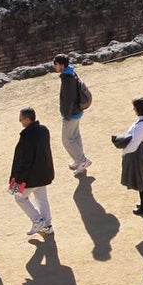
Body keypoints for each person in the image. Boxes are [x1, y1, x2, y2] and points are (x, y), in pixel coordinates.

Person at [10, 107, 56, 236]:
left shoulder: (27, 136)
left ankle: (38, 221)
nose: (19, 121)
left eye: (21, 118)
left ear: (28, 119)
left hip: (31, 177)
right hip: (44, 173)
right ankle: (47, 225)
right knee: (42, 199)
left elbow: (24, 161)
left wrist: (17, 180)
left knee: (19, 197)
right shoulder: (43, 130)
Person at [115, 97, 143, 216]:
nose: (133, 109)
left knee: (141, 180)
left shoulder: (140, 126)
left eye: (135, 107)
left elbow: (134, 143)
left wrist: (124, 153)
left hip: (139, 155)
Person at [54, 54, 91, 177]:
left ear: (62, 65)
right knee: (75, 136)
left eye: (56, 64)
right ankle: (79, 160)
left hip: (72, 113)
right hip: (77, 111)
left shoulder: (67, 78)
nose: (55, 67)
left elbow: (69, 99)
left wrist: (67, 115)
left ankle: (82, 160)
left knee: (67, 140)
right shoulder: (71, 73)